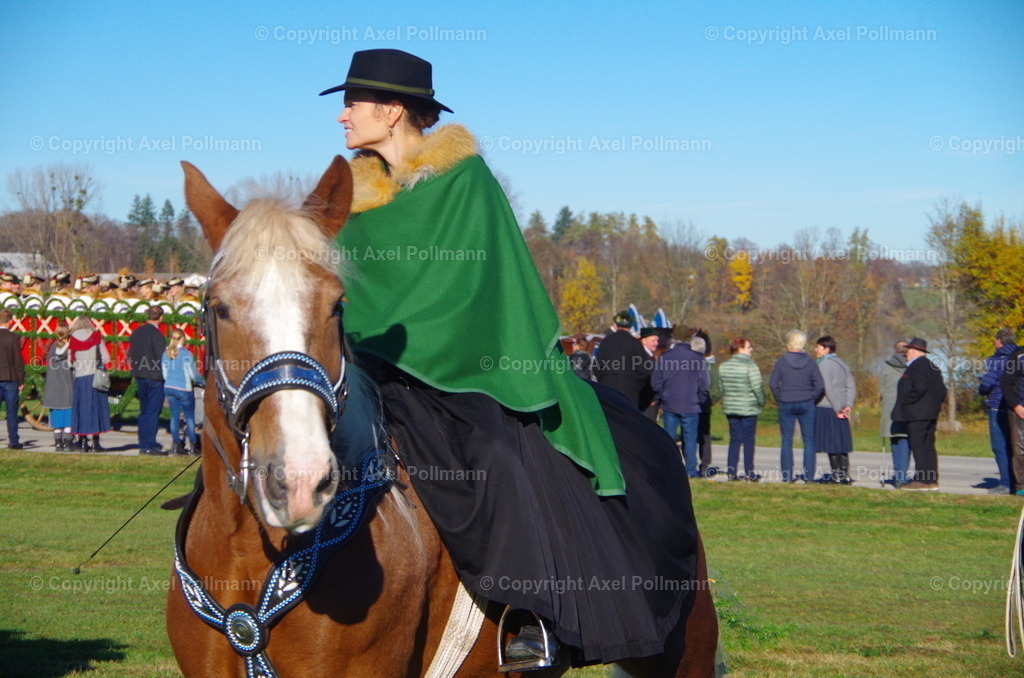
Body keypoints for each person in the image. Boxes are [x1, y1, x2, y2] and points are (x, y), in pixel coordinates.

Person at [322, 49, 698, 668]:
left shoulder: (465, 183)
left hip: (471, 371)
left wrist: (418, 342)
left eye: (353, 104)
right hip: (367, 372)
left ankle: (530, 616)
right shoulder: (352, 198)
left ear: (391, 111)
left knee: (497, 456)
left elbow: (477, 291)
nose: (342, 117)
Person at [769, 330, 825, 483]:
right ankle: (808, 477)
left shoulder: (781, 361)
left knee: (787, 440)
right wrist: (812, 399)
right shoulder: (810, 362)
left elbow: (773, 383)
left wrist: (780, 398)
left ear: (789, 344)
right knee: (808, 441)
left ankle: (787, 476)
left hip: (786, 402)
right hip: (807, 402)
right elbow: (820, 385)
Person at [893, 337, 948, 491]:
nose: (907, 354)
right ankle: (931, 479)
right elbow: (942, 391)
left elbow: (919, 387)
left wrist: (907, 400)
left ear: (916, 351)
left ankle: (922, 480)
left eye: (909, 350)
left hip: (917, 414)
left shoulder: (916, 366)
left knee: (918, 446)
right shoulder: (933, 366)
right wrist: (934, 406)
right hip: (930, 413)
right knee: (928, 446)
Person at [651, 335, 709, 478]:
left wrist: (660, 396)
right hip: (691, 403)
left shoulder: (666, 357)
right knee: (690, 439)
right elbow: (704, 384)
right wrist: (700, 399)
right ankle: (690, 470)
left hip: (670, 402)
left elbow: (656, 381)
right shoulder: (697, 358)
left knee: (669, 438)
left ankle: (668, 467)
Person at [718, 337, 765, 481]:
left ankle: (731, 472)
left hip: (731, 407)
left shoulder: (724, 366)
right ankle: (749, 472)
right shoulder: (750, 366)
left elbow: (721, 387)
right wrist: (762, 401)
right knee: (748, 440)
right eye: (748, 347)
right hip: (749, 408)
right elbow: (757, 387)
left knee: (735, 440)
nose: (751, 350)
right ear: (740, 348)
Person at [813, 336, 856, 484]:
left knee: (832, 443)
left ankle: (837, 475)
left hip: (828, 407)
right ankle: (845, 474)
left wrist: (838, 408)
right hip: (842, 407)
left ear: (826, 349)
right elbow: (851, 385)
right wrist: (848, 404)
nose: (815, 350)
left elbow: (827, 388)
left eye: (818, 347)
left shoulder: (824, 364)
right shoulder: (843, 364)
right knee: (841, 443)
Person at [980, 328, 1016, 494]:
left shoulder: (998, 358)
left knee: (1000, 445)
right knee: (1015, 445)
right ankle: (1017, 481)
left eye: (995, 340)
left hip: (997, 405)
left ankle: (1005, 482)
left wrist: (981, 388)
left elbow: (988, 382)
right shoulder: (1018, 356)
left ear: (1000, 341)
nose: (994, 343)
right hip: (1016, 406)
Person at [68, 315, 111, 451]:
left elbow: (70, 361)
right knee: (97, 408)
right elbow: (106, 357)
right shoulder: (96, 337)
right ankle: (96, 443)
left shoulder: (73, 339)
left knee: (82, 410)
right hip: (94, 376)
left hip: (80, 377)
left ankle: (82, 442)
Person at [593, 311, 651, 409]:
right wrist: (637, 385)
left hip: (607, 387)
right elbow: (645, 369)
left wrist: (604, 379)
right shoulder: (635, 343)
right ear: (630, 326)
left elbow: (596, 367)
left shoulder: (606, 342)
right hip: (630, 389)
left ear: (615, 325)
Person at [129, 306, 166, 456]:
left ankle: (144, 441)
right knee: (152, 411)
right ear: (160, 317)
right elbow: (161, 357)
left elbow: (132, 352)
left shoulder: (136, 332)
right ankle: (148, 444)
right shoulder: (156, 334)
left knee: (144, 410)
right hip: (155, 376)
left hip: (140, 374)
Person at [162, 328, 205, 456]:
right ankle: (193, 445)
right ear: (182, 339)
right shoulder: (186, 354)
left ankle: (176, 445)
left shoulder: (165, 353)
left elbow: (164, 374)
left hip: (169, 387)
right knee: (189, 418)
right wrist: (201, 382)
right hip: (184, 388)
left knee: (174, 417)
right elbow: (192, 374)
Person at [878, 339, 910, 487]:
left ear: (894, 350)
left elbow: (882, 389)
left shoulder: (886, 366)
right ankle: (901, 477)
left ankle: (899, 476)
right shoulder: (912, 366)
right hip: (907, 409)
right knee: (904, 441)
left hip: (890, 409)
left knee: (895, 442)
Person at [692, 328, 719, 478]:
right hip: (694, 405)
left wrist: (707, 401)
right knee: (693, 435)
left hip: (701, 406)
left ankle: (704, 464)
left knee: (703, 436)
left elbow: (716, 389)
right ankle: (696, 464)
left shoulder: (710, 367)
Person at [43, 322, 74, 450]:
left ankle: (58, 444)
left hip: (53, 388)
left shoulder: (52, 348)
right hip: (67, 386)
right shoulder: (70, 349)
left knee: (57, 420)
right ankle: (67, 443)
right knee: (68, 418)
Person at [1000, 340, 1024, 495]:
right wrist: (1016, 406)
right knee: (1020, 448)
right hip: (1020, 409)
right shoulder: (1017, 355)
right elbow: (1006, 382)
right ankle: (1021, 486)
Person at [0, 309, 25, 449]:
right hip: (10, 378)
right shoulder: (13, 337)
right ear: (10, 321)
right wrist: (21, 380)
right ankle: (13, 441)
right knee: (11, 413)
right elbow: (18, 361)